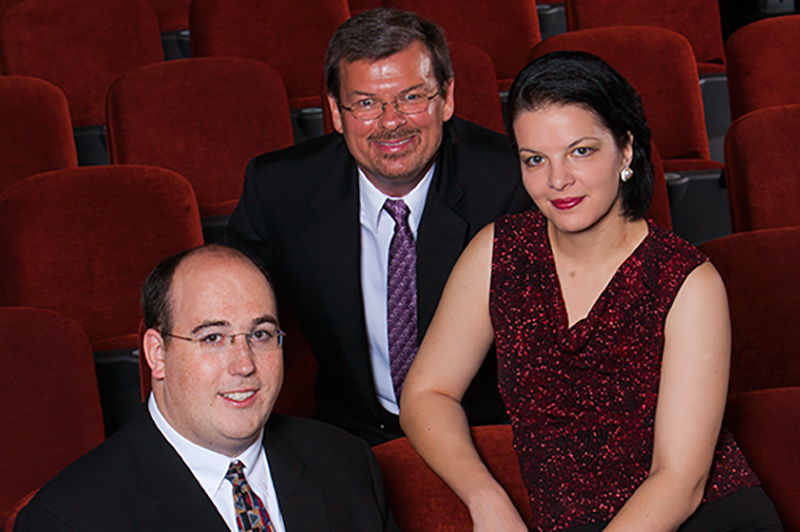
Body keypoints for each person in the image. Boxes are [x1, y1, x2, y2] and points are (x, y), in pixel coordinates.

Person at [399, 51, 783, 532]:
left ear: (626, 150)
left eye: (580, 151)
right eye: (535, 160)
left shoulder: (688, 280)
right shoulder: (498, 253)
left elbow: (680, 480)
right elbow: (427, 392)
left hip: (696, 518)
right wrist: (485, 499)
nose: (557, 180)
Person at [226, 8, 531, 445]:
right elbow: (219, 305)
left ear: (446, 97)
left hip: (486, 431)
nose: (391, 122)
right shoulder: (280, 190)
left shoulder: (511, 183)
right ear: (336, 111)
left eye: (412, 97)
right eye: (367, 103)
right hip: (351, 437)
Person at [15, 245, 399, 532]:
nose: (244, 364)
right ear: (157, 354)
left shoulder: (346, 463)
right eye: (213, 337)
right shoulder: (67, 520)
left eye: (261, 334)